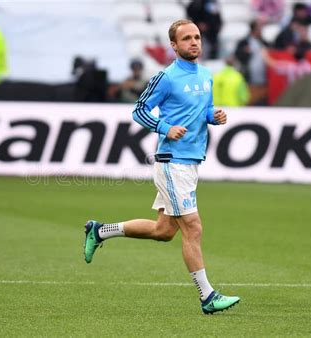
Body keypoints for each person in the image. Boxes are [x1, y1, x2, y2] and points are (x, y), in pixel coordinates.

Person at [83, 19, 240, 315]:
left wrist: (212, 115)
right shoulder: (166, 77)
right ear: (174, 45)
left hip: (192, 162)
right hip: (172, 162)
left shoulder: (206, 76)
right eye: (186, 39)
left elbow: (198, 111)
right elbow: (139, 110)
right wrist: (165, 128)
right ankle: (207, 296)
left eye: (197, 37)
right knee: (193, 228)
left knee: (164, 231)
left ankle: (100, 231)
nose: (194, 42)